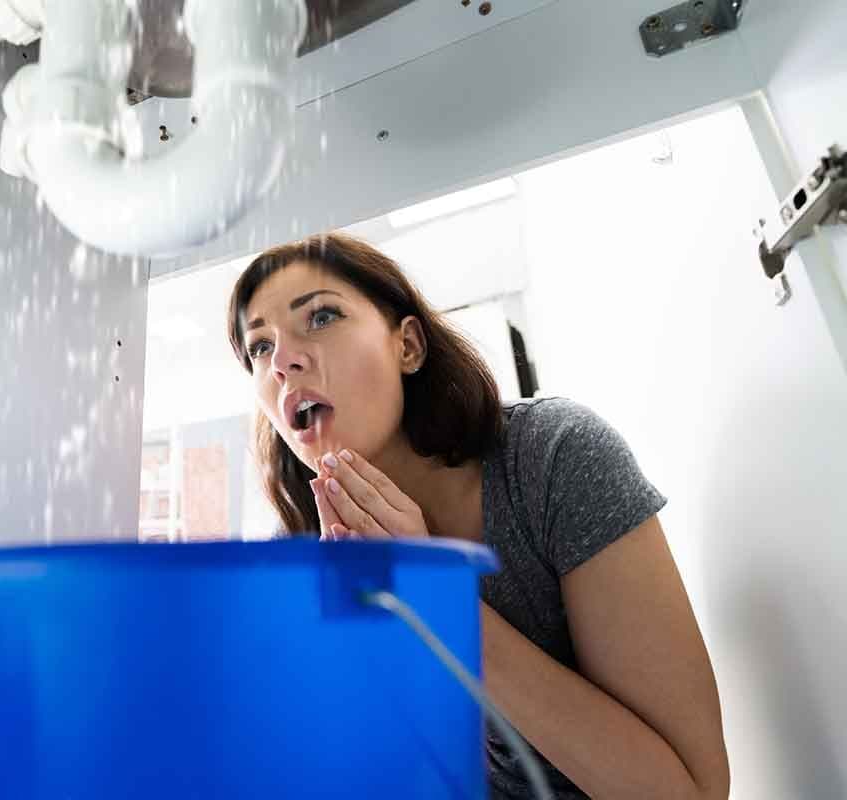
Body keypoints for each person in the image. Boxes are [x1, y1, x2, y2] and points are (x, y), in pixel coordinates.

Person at [225, 232, 730, 800]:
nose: (284, 362)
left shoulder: (552, 459)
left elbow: (689, 793)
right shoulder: (295, 553)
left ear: (408, 346)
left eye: (320, 316)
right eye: (259, 348)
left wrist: (438, 599)